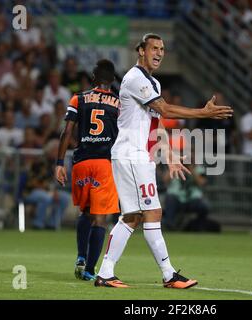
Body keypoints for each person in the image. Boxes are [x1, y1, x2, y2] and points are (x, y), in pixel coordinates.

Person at [95, 33, 233, 289]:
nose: (159, 53)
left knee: (132, 216)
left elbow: (157, 124)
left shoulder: (154, 84)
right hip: (131, 154)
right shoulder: (135, 78)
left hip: (138, 156)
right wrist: (202, 113)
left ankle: (106, 272)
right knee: (152, 212)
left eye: (162, 49)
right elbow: (165, 110)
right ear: (141, 51)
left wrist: (168, 155)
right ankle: (168, 274)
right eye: (154, 48)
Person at [55, 59, 120, 281]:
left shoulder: (78, 98)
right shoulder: (119, 103)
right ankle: (91, 270)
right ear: (112, 80)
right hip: (104, 163)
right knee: (100, 219)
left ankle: (81, 256)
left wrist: (59, 163)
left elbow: (67, 132)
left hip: (81, 163)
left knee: (85, 212)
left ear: (93, 78)